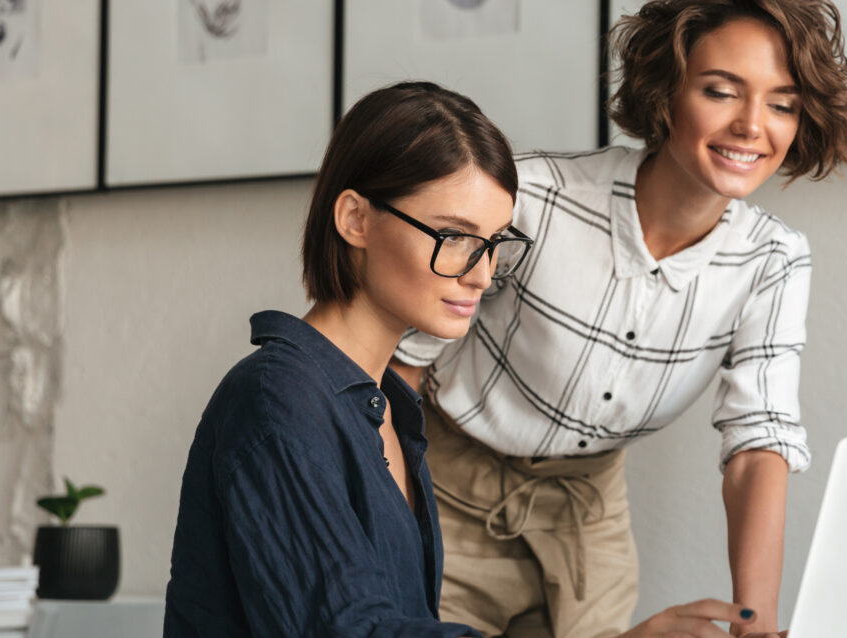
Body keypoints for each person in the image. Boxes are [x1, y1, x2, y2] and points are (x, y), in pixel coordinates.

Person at [163, 81, 780, 638]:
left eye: (493, 244)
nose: (482, 274)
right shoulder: (280, 405)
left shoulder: (389, 409)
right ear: (355, 218)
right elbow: (351, 630)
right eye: (453, 236)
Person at [390, 1, 847, 636]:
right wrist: (387, 525)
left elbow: (759, 444)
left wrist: (756, 623)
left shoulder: (773, 261)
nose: (752, 125)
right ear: (667, 92)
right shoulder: (535, 199)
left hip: (589, 519)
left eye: (782, 103)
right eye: (721, 91)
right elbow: (398, 368)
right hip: (442, 487)